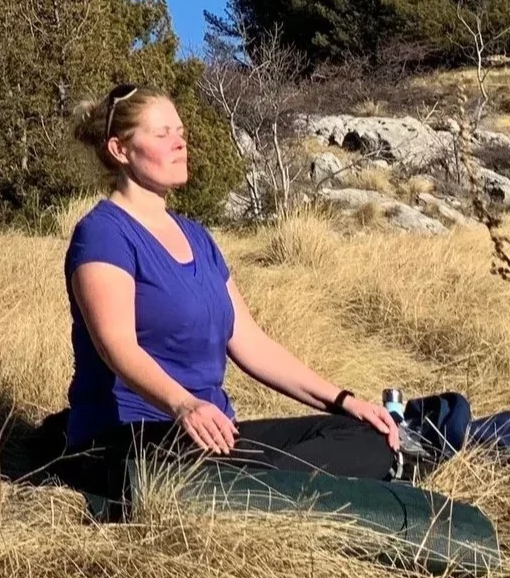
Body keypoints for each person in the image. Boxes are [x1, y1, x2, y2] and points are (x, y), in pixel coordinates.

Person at [50, 84, 401, 504]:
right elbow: (116, 346)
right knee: (217, 471)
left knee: (367, 437)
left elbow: (250, 342)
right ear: (120, 149)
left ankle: (272, 490)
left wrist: (344, 401)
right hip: (128, 441)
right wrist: (183, 405)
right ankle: (278, 493)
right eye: (162, 134)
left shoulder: (197, 237)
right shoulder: (103, 233)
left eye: (180, 131)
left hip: (213, 437)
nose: (180, 142)